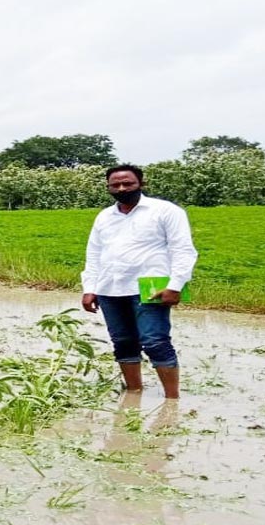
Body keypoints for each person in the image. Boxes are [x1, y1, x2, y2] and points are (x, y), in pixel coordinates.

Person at [81, 164, 197, 399]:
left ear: (141, 184)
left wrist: (175, 286)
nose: (122, 188)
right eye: (115, 185)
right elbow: (94, 254)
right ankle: (134, 392)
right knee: (123, 343)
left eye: (128, 183)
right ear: (108, 187)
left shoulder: (165, 211)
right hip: (110, 288)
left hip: (150, 287)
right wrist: (89, 288)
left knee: (155, 341)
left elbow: (183, 250)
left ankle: (172, 399)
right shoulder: (104, 216)